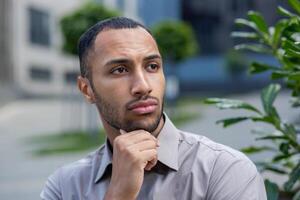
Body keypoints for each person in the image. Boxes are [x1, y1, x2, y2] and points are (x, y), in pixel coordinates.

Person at [41, 17, 267, 200]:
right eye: (119, 70)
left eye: (152, 66)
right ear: (87, 89)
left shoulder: (224, 171)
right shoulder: (64, 187)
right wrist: (118, 194)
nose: (143, 86)